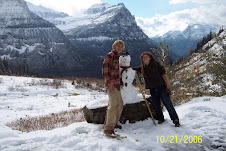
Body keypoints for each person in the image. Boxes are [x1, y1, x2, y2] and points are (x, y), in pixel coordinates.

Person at [133, 52, 180, 127]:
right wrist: (126, 67)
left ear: (150, 58)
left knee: (168, 104)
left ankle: (175, 119)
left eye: (146, 57)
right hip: (152, 89)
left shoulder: (155, 64)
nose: (144, 59)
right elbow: (135, 69)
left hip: (161, 87)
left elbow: (163, 73)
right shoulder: (142, 68)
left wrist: (167, 82)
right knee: (156, 105)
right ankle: (161, 118)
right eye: (143, 57)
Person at [102, 40, 125, 135]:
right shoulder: (110, 55)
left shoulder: (119, 57)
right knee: (113, 104)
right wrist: (109, 81)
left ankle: (114, 123)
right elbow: (105, 69)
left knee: (120, 104)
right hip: (111, 84)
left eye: (121, 47)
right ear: (114, 46)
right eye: (118, 46)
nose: (119, 48)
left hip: (117, 84)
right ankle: (108, 127)